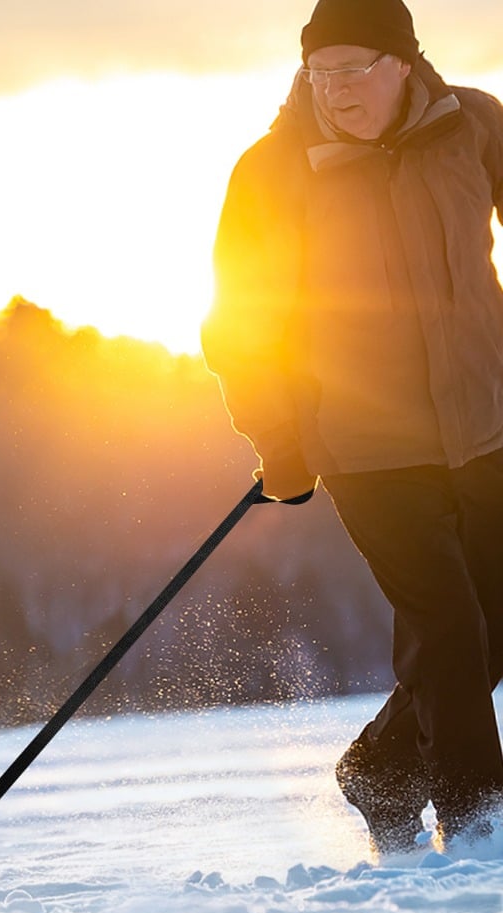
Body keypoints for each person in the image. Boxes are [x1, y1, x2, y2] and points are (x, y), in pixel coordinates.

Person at [202, 0, 503, 853]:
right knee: (447, 625)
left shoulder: (475, 127)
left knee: (494, 620)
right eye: (318, 72)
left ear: (404, 63)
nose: (334, 90)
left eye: (354, 69)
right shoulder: (273, 172)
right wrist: (281, 440)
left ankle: (383, 768)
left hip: (485, 426)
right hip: (371, 448)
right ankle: (482, 821)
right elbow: (239, 324)